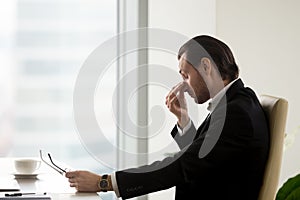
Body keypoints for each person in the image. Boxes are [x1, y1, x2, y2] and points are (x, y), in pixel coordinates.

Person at [65, 35, 269, 200]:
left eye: (186, 75)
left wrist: (105, 182)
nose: (184, 85)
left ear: (206, 66)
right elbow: (202, 158)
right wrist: (184, 120)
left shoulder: (236, 114)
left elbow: (182, 167)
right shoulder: (237, 102)